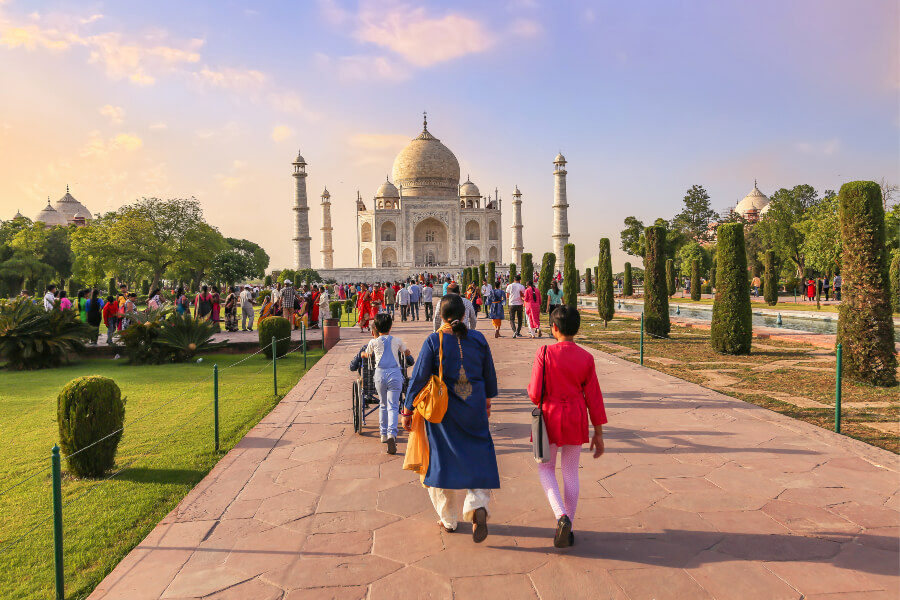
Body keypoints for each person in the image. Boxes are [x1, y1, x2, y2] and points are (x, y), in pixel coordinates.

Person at [402, 295, 499, 541]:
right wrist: (486, 401)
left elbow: (419, 377)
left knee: (439, 461)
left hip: (443, 413)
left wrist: (408, 409)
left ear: (441, 317)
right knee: (479, 455)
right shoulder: (478, 338)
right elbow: (489, 373)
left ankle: (449, 519)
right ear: (465, 314)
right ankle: (477, 506)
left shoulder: (435, 340)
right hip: (474, 406)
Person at [527, 305, 606, 548]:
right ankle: (568, 524)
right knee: (570, 471)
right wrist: (599, 433)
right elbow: (594, 397)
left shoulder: (545, 352)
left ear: (554, 328)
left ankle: (561, 516)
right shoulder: (586, 357)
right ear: (577, 329)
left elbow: (534, 393)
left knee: (546, 469)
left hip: (549, 417)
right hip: (575, 416)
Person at [361, 313, 414, 455]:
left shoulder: (373, 342)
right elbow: (406, 352)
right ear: (391, 326)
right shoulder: (397, 340)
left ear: (376, 328)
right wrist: (406, 352)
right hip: (395, 374)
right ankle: (392, 433)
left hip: (380, 374)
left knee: (383, 405)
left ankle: (383, 434)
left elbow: (367, 354)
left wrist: (363, 355)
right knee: (393, 405)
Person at [506, 274, 526, 338]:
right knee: (520, 319)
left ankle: (514, 331)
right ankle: (518, 332)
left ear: (514, 279)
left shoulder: (510, 286)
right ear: (519, 280)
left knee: (512, 319)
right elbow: (523, 295)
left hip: (512, 303)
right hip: (519, 304)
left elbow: (507, 296)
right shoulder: (521, 286)